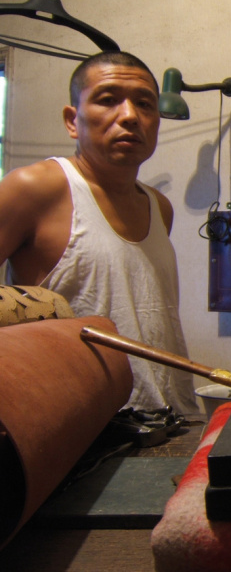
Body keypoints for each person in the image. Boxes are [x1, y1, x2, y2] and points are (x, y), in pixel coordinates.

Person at [0, 51, 198, 414]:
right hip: (77, 425)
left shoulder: (159, 207)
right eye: (108, 100)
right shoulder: (34, 188)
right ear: (72, 120)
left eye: (145, 104)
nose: (130, 116)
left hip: (167, 416)